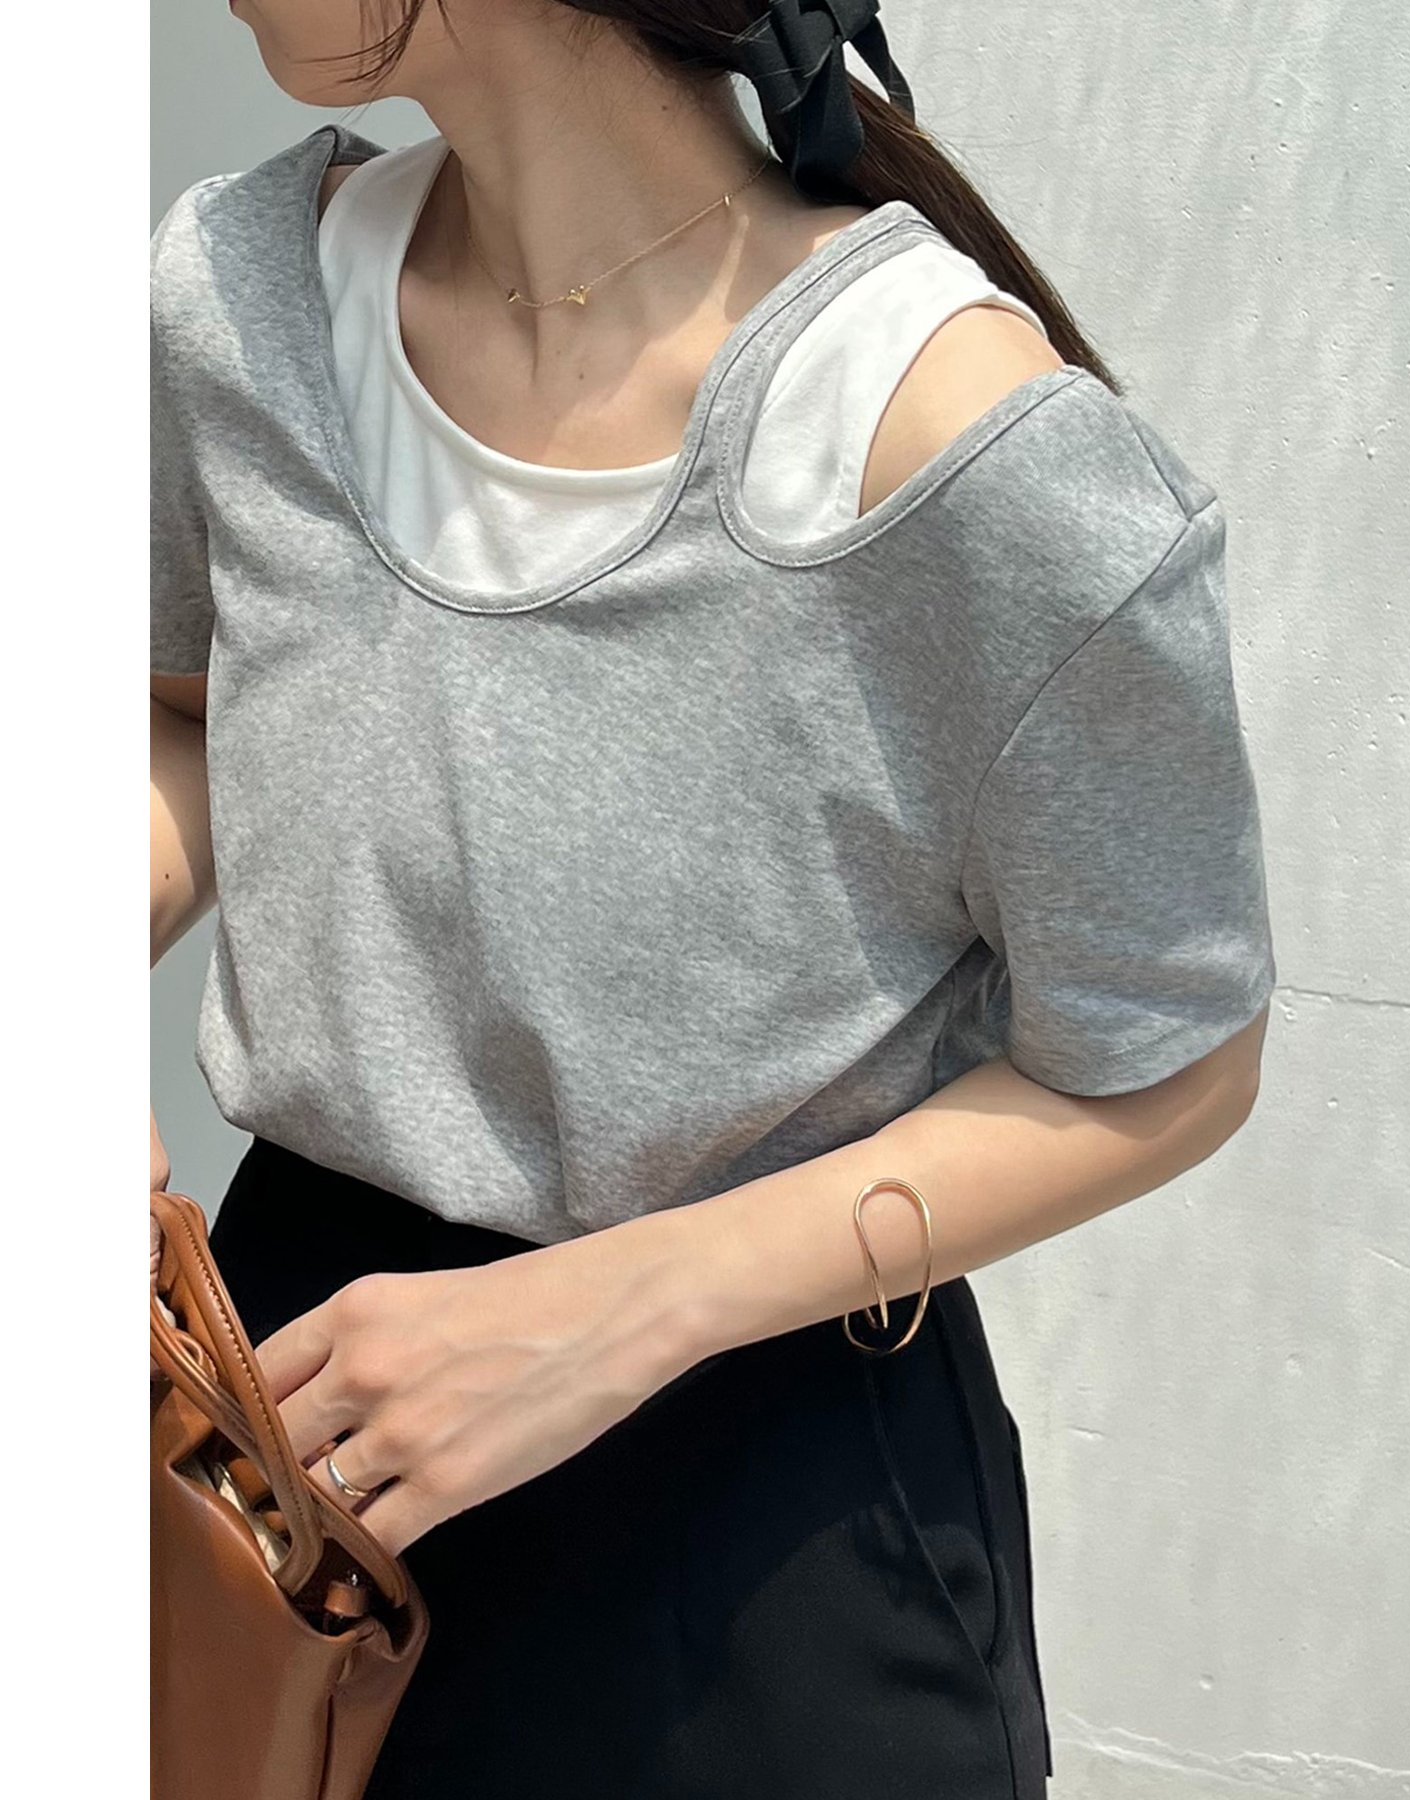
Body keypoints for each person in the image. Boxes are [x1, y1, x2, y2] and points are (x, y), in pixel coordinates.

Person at [149, 2, 1279, 1795]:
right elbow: (201, 721)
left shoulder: (964, 445)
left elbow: (1173, 1057)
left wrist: (624, 1309)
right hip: (283, 1441)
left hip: (754, 1512)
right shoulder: (240, 299)